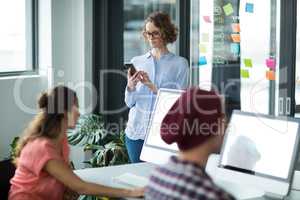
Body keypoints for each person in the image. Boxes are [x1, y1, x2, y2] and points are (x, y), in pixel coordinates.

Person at [9, 86, 144, 200]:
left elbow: (68, 185)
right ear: (62, 111)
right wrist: (131, 192)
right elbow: (80, 187)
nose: (78, 113)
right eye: (75, 107)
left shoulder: (61, 141)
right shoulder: (41, 148)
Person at [145, 87, 235, 200]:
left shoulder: (156, 177)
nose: (227, 126)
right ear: (209, 129)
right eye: (222, 119)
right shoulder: (214, 196)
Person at [124, 11, 189, 163]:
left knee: (159, 181)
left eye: (155, 33)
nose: (150, 37)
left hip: (162, 136)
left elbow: (179, 104)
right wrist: (131, 86)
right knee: (138, 180)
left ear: (165, 33)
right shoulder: (138, 61)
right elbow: (129, 102)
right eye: (147, 33)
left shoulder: (180, 64)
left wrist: (153, 87)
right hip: (136, 133)